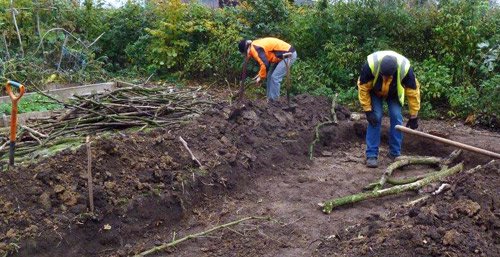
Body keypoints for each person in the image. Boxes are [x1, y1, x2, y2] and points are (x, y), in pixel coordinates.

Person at [357, 50, 420, 168]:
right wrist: (368, 110)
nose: (385, 78)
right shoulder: (370, 65)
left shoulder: (405, 69)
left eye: (388, 76)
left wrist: (414, 115)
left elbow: (413, 93)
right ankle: (371, 155)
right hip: (375, 92)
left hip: (394, 93)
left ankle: (395, 154)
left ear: (394, 72)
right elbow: (363, 87)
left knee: (396, 116)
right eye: (383, 75)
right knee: (376, 117)